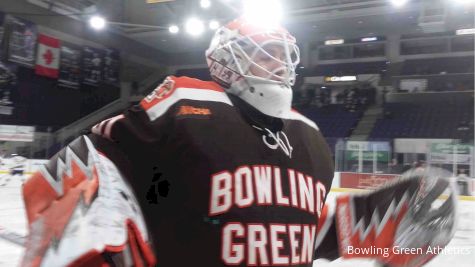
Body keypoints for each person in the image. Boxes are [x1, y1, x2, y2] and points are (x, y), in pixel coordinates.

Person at [21, 17, 456, 267]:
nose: (277, 63)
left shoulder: (309, 135)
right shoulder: (186, 101)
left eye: (282, 55)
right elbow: (88, 159)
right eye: (262, 52)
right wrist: (91, 238)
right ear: (224, 60)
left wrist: (366, 225)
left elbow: (296, 228)